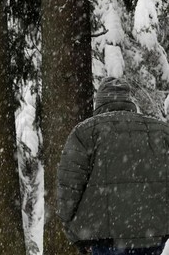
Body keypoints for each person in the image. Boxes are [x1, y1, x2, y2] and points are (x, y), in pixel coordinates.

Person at [57, 77, 169, 255]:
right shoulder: (161, 131)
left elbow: (69, 189)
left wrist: (74, 233)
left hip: (105, 238)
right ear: (129, 100)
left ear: (99, 102)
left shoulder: (85, 132)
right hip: (152, 236)